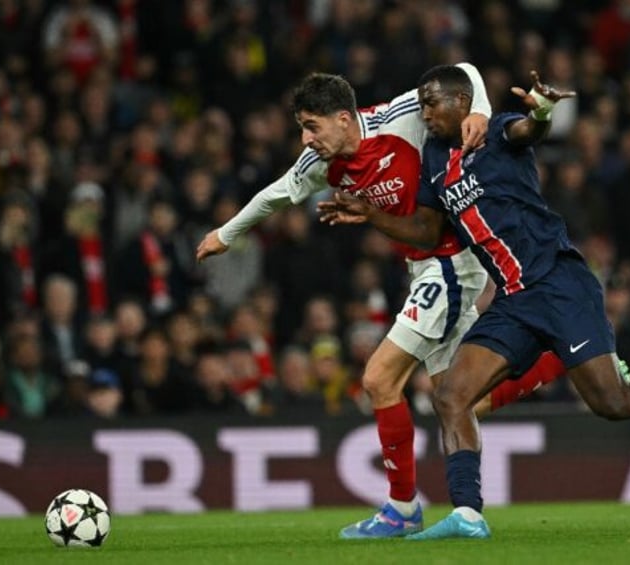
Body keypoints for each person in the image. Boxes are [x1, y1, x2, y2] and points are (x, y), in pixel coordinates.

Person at [319, 65, 630, 540]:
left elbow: (528, 129)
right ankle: (468, 514)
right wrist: (372, 215)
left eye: (432, 103)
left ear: (460, 102)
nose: (424, 112)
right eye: (423, 104)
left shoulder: (494, 132)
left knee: (612, 401)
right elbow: (428, 232)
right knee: (451, 395)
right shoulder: (433, 157)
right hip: (514, 299)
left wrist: (545, 109)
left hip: (561, 284)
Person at [196, 65, 571, 539]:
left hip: (452, 261)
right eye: (301, 129)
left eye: (312, 126)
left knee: (378, 378)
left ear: (343, 118)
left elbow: (468, 71)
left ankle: (401, 508)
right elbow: (275, 195)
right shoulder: (318, 164)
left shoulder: (401, 115)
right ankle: (558, 362)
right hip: (422, 264)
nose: (306, 140)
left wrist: (477, 110)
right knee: (456, 398)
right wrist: (225, 235)